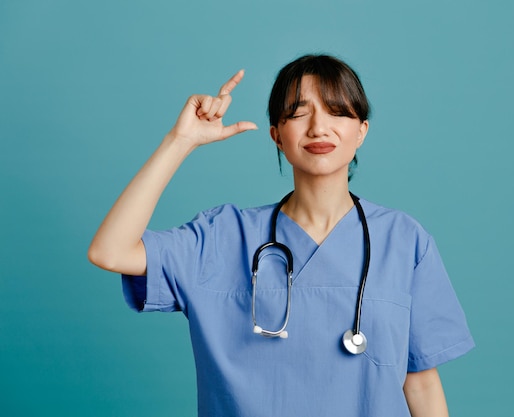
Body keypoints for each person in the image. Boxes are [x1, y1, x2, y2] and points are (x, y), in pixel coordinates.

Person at [88, 54, 474, 417]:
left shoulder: (404, 240)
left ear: (361, 131)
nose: (318, 127)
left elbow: (420, 382)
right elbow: (110, 251)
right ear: (276, 134)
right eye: (298, 113)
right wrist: (180, 141)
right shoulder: (223, 237)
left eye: (337, 112)